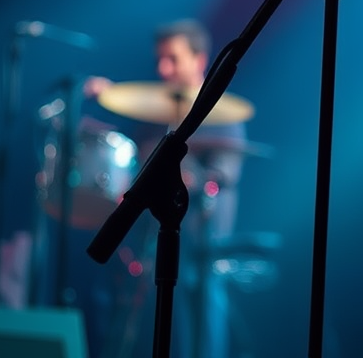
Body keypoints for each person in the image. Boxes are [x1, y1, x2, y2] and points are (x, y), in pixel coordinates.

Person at [88, 19, 247, 358]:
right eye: (160, 59)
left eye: (173, 59)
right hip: (154, 245)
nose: (163, 69)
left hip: (200, 248)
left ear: (199, 60)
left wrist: (185, 172)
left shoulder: (223, 114)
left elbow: (222, 175)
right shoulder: (158, 117)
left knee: (198, 340)